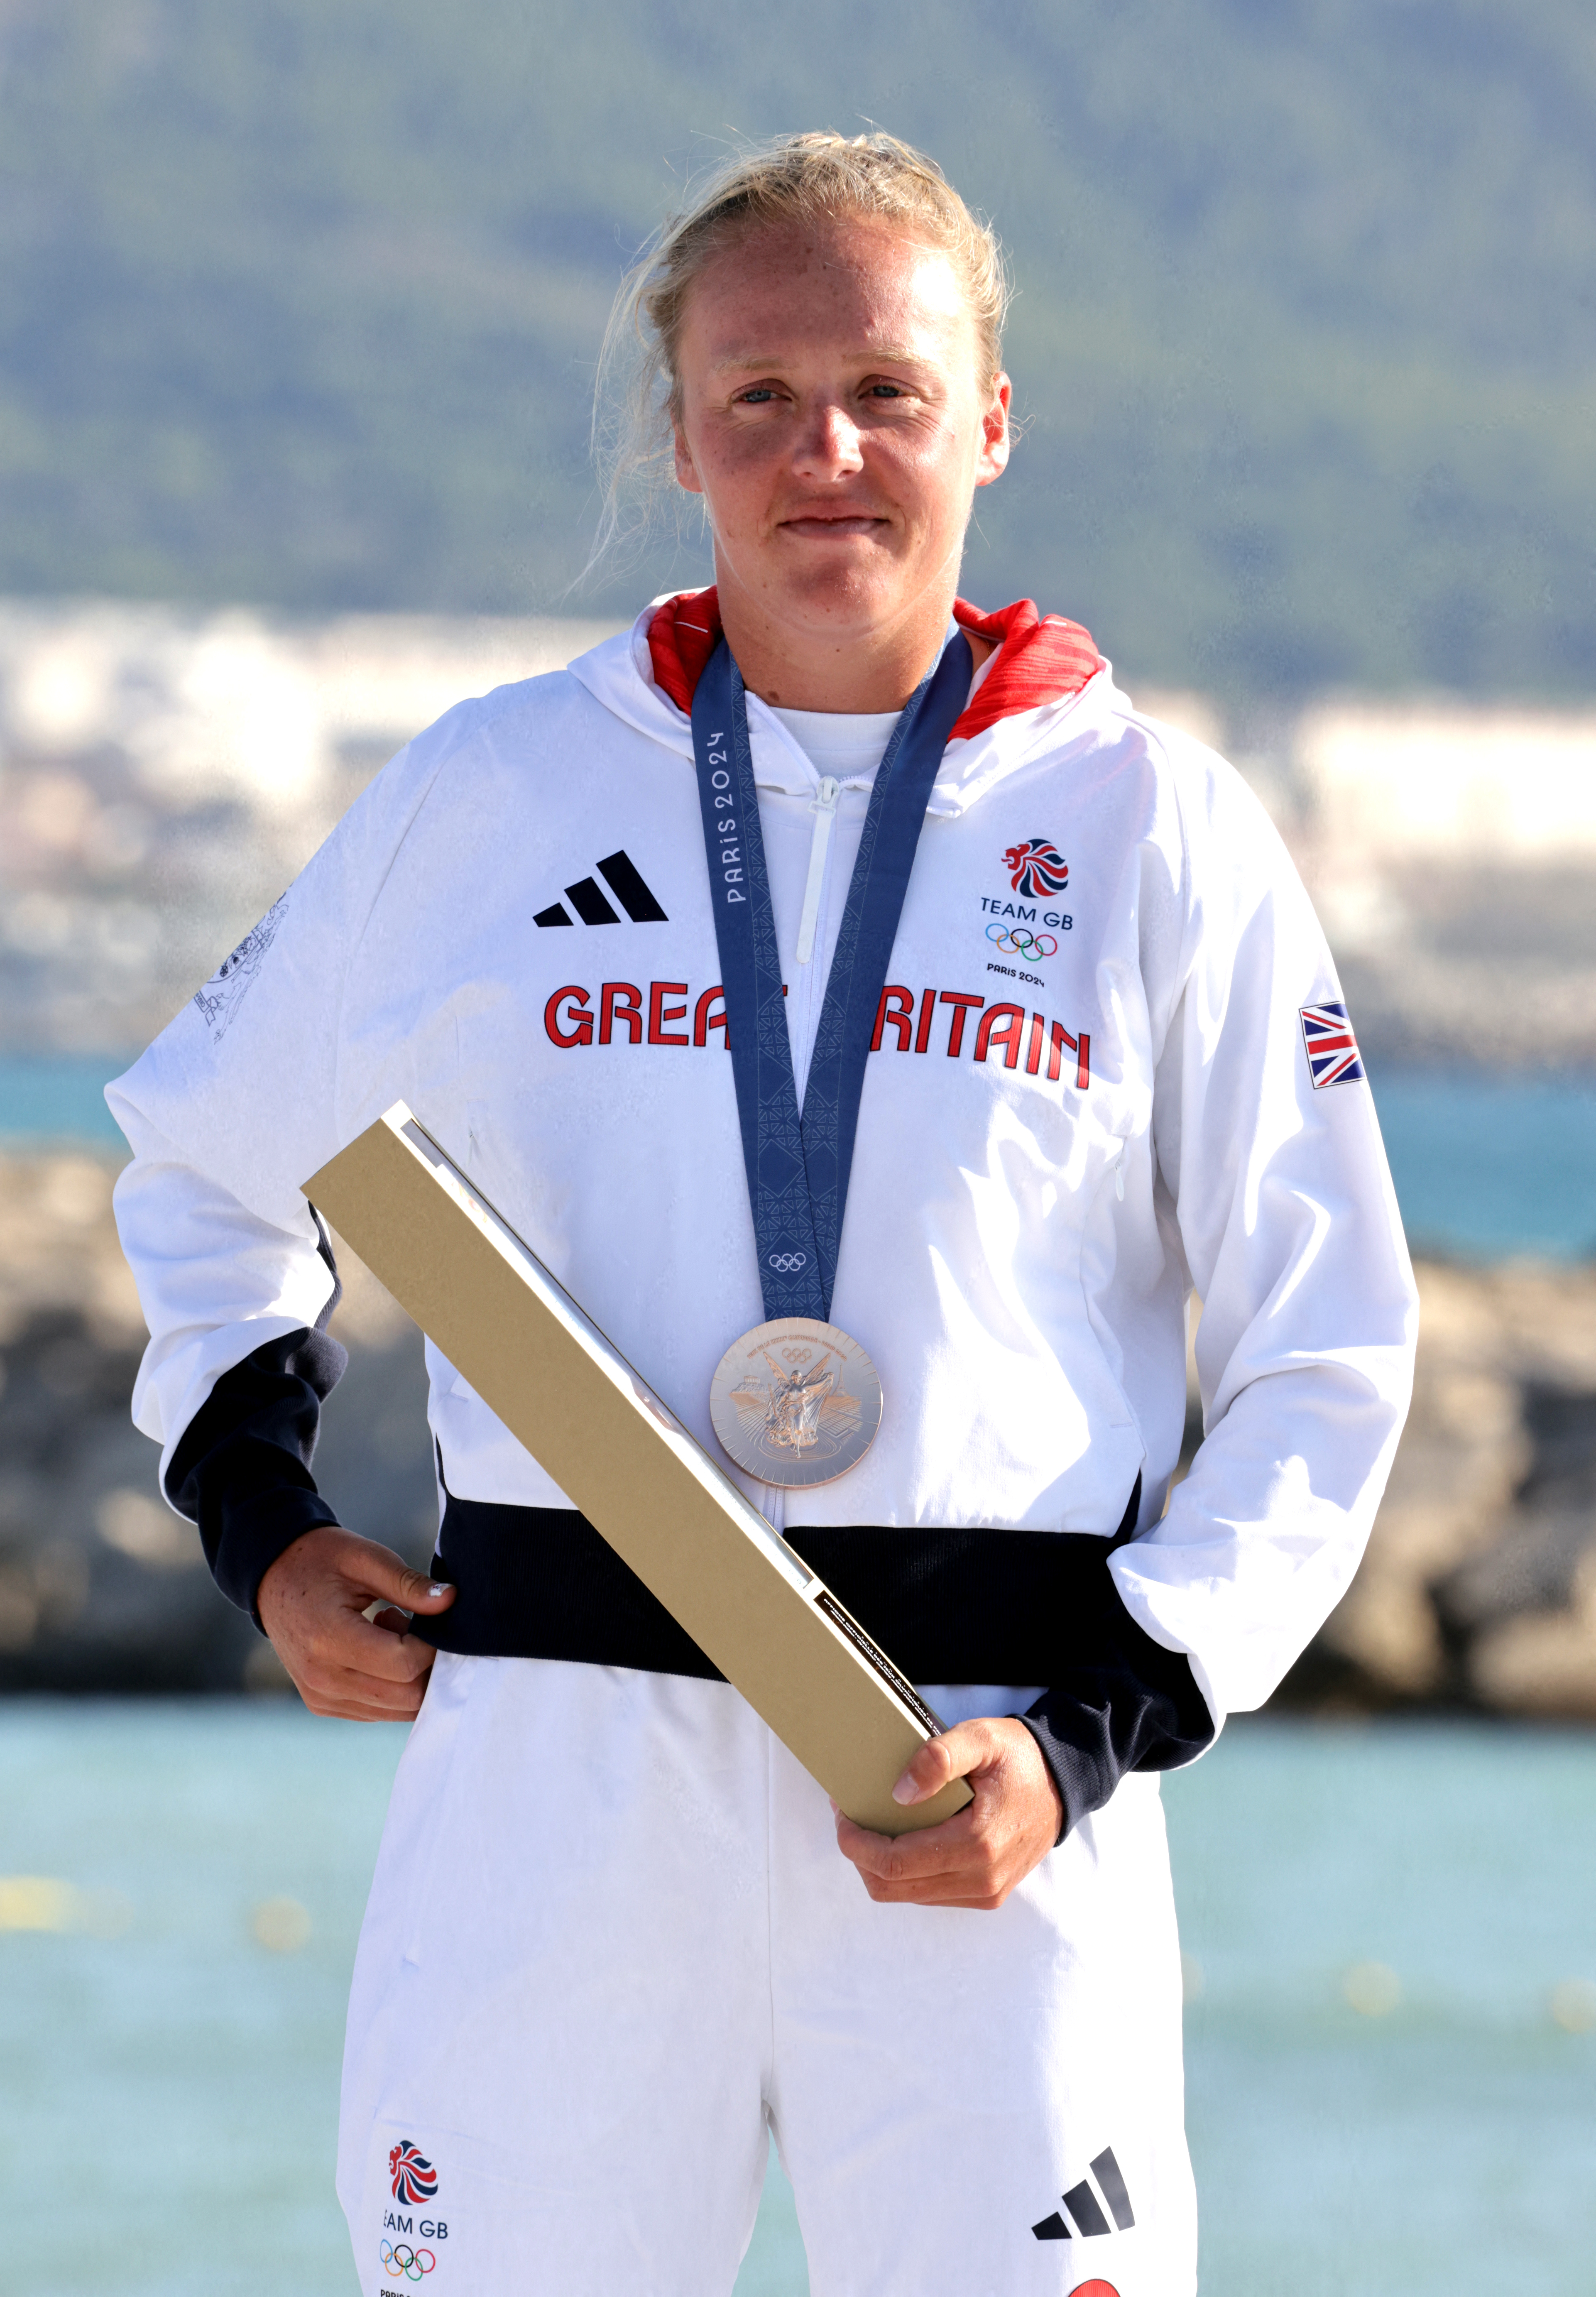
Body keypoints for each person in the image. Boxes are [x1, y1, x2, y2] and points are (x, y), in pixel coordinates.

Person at [109, 131, 1417, 2297]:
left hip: (976, 1784)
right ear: (681, 433)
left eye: (887, 392)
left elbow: (1322, 1352)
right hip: (550, 1764)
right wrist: (262, 1523)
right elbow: (203, 1158)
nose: (828, 451)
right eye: (759, 396)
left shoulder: (1152, 829)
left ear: (987, 419)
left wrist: (1091, 1727)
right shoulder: (496, 787)